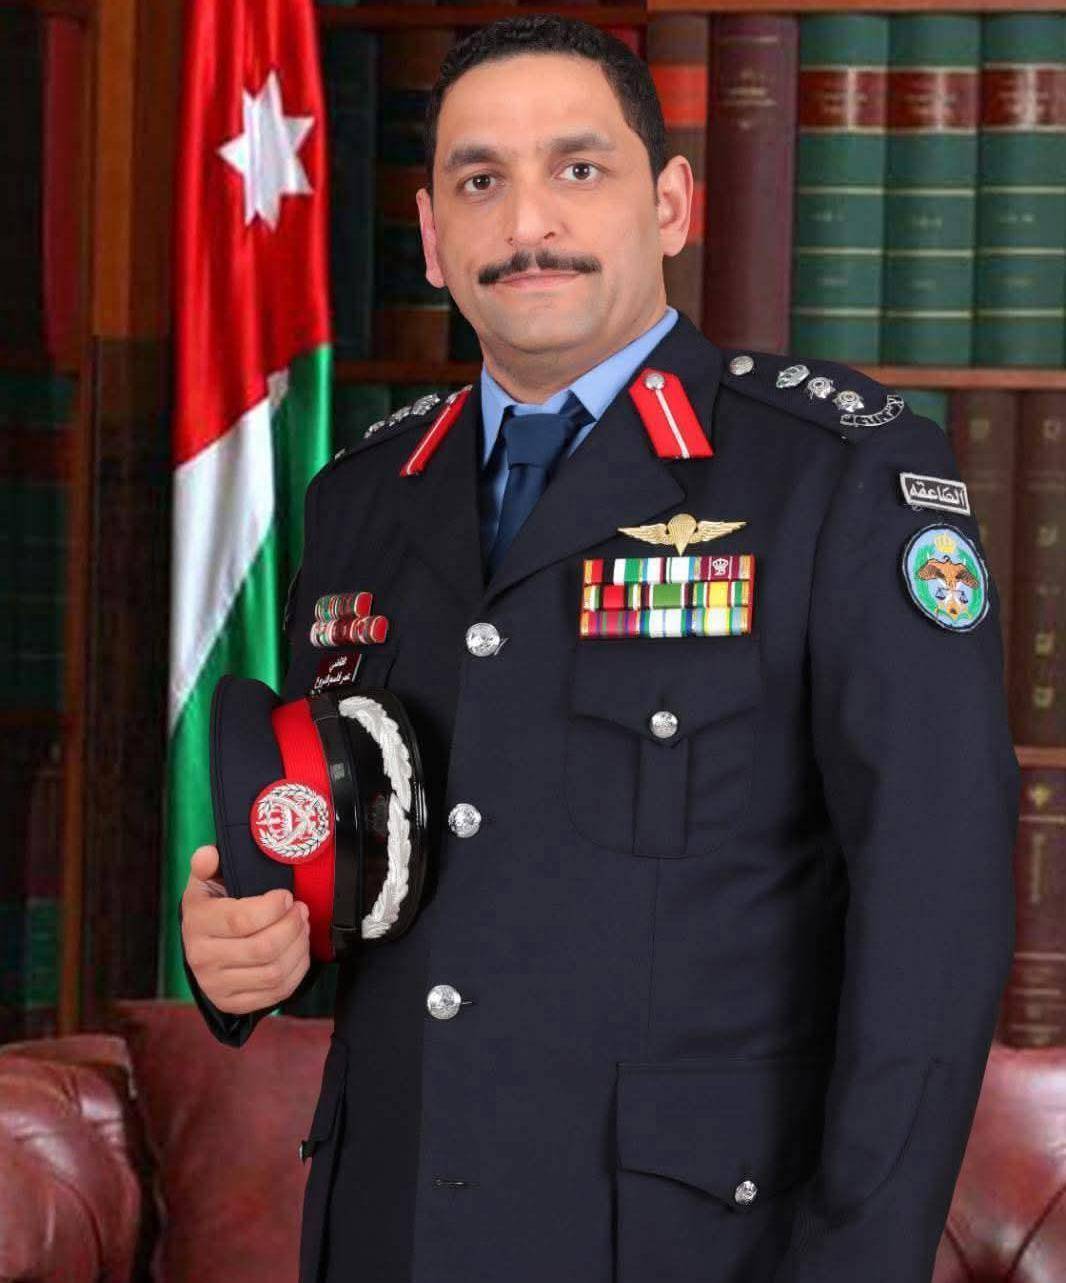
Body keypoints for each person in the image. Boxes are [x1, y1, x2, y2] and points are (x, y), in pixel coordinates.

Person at [178, 14, 1019, 1283]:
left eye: (578, 168)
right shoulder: (361, 497)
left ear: (669, 204)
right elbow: (357, 862)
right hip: (388, 1228)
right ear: (430, 236)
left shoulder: (834, 477)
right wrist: (245, 954)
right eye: (480, 181)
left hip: (688, 1244)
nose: (528, 223)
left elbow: (934, 926)